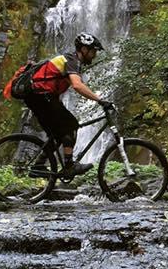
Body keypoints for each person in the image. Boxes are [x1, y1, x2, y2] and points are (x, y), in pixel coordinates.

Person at [24, 33, 114, 177]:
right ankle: (69, 166)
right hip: (41, 96)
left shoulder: (70, 59)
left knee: (59, 134)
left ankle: (39, 166)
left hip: (39, 97)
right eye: (93, 51)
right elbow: (78, 86)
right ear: (84, 49)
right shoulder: (72, 60)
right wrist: (100, 100)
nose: (94, 55)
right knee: (71, 125)